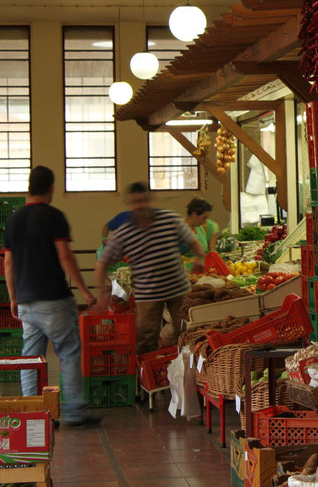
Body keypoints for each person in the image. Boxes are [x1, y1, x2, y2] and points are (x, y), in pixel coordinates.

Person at [3, 166, 101, 426]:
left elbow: (9, 263)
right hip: (54, 301)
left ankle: (33, 413)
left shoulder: (14, 219)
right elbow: (65, 256)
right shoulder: (53, 216)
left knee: (30, 358)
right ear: (51, 188)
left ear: (28, 188)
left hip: (26, 302)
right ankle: (74, 412)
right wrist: (84, 291)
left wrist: (14, 297)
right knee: (68, 353)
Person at [94, 182, 205, 354]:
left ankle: (183, 371)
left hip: (178, 290)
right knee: (145, 339)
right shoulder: (126, 231)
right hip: (148, 295)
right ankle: (148, 376)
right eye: (135, 202)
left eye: (142, 200)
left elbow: (193, 241)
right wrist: (101, 293)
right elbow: (102, 262)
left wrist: (199, 257)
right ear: (129, 204)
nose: (139, 206)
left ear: (150, 200)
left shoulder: (169, 219)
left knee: (187, 332)